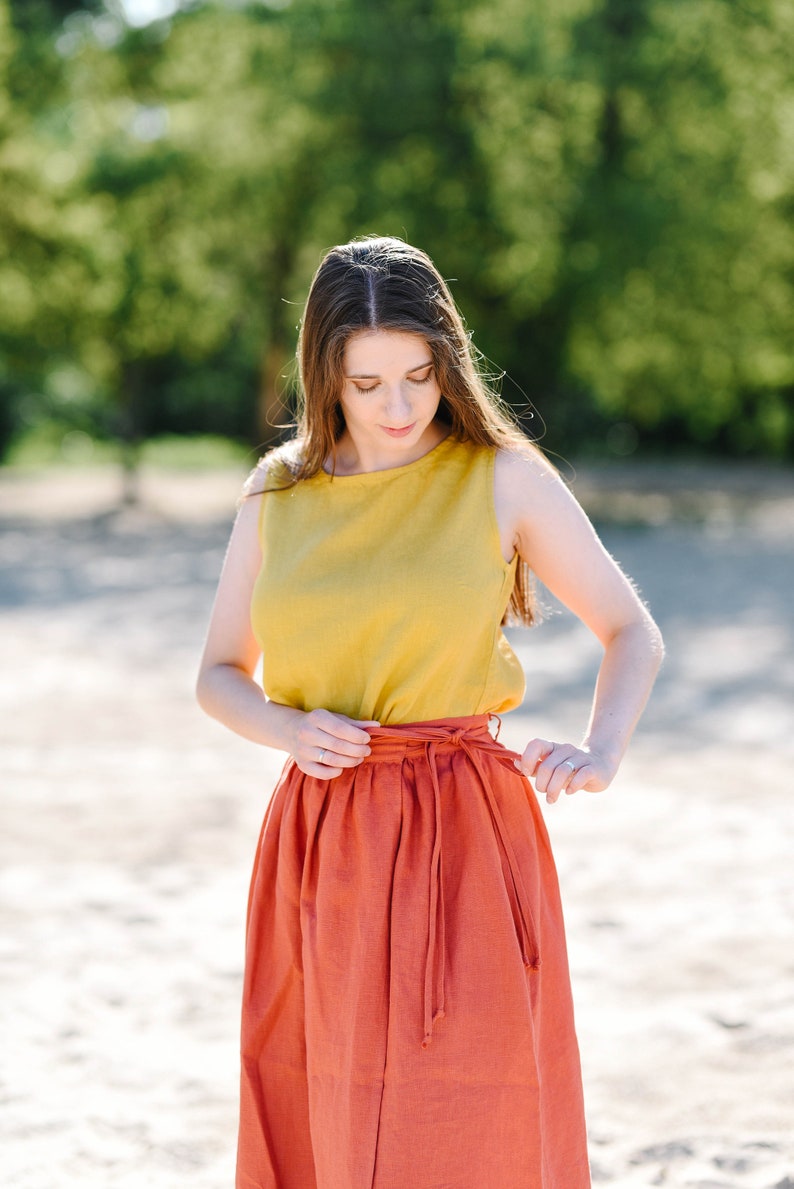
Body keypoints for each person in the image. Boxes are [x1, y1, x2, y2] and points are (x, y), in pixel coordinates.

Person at [196, 235, 664, 1189]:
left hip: (467, 830)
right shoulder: (276, 493)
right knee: (322, 1093)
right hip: (323, 829)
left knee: (472, 1105)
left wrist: (602, 749)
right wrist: (286, 727)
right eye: (367, 383)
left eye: (419, 375)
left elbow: (630, 630)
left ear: (448, 360)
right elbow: (218, 672)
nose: (400, 407)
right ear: (324, 374)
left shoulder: (501, 476)